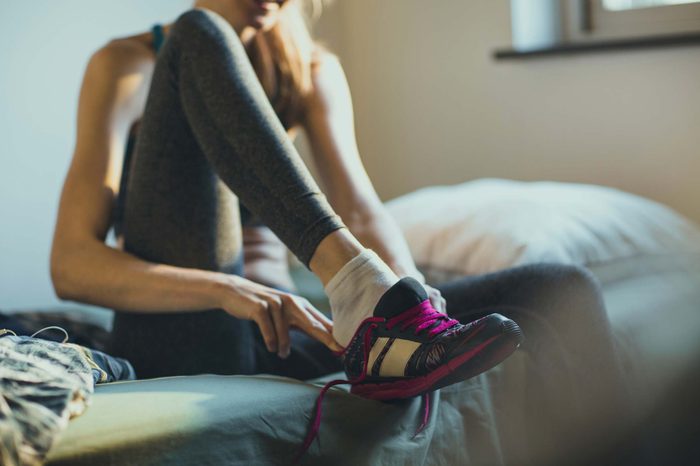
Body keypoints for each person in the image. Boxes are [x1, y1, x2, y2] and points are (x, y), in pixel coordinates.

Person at [50, 0, 626, 457]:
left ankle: (380, 312)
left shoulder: (309, 70)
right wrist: (229, 291)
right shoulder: (125, 65)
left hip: (289, 338)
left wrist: (416, 298)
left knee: (561, 288)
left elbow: (361, 210)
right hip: (186, 327)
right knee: (198, 36)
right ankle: (357, 289)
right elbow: (71, 264)